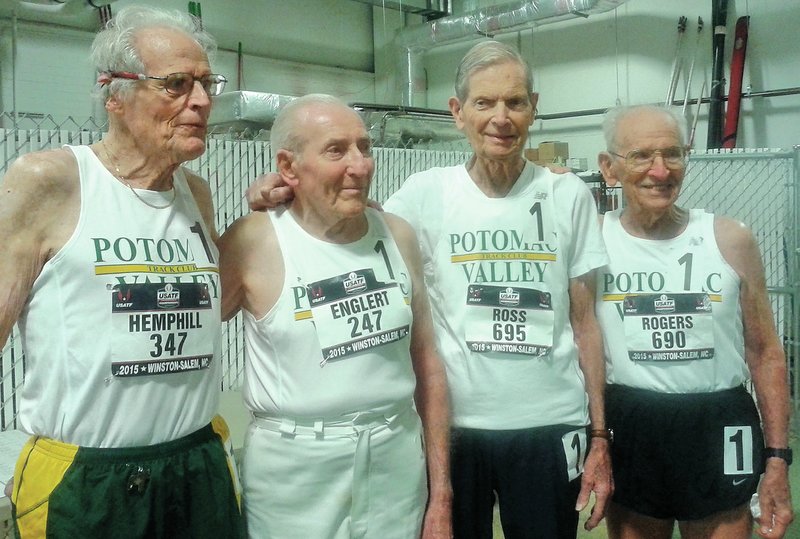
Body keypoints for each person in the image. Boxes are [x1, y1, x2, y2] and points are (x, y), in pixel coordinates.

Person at [247, 40, 613, 538]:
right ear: (458, 113)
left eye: (515, 102)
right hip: (455, 430)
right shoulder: (424, 193)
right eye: (484, 103)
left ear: (534, 109)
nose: (500, 118)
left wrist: (598, 435)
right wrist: (281, 187)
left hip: (550, 425)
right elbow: (349, 209)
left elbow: (586, 323)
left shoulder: (567, 193)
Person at [0, 6, 244, 538]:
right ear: (114, 95)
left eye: (206, 84)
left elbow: (218, 305)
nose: (201, 102)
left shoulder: (194, 194)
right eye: (177, 85)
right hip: (85, 482)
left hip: (196, 463)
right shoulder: (50, 181)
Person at [218, 94, 452, 539]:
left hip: (395, 461)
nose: (360, 165)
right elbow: (194, 335)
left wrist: (440, 494)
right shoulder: (253, 241)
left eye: (364, 147)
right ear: (288, 167)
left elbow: (428, 365)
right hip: (293, 475)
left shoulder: (397, 234)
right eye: (336, 150)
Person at [596, 104, 794, 539]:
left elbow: (765, 353)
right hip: (632, 422)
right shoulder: (593, 242)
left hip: (718, 421)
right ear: (609, 167)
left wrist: (778, 458)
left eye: (672, 154)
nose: (660, 171)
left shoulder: (730, 239)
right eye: (641, 156)